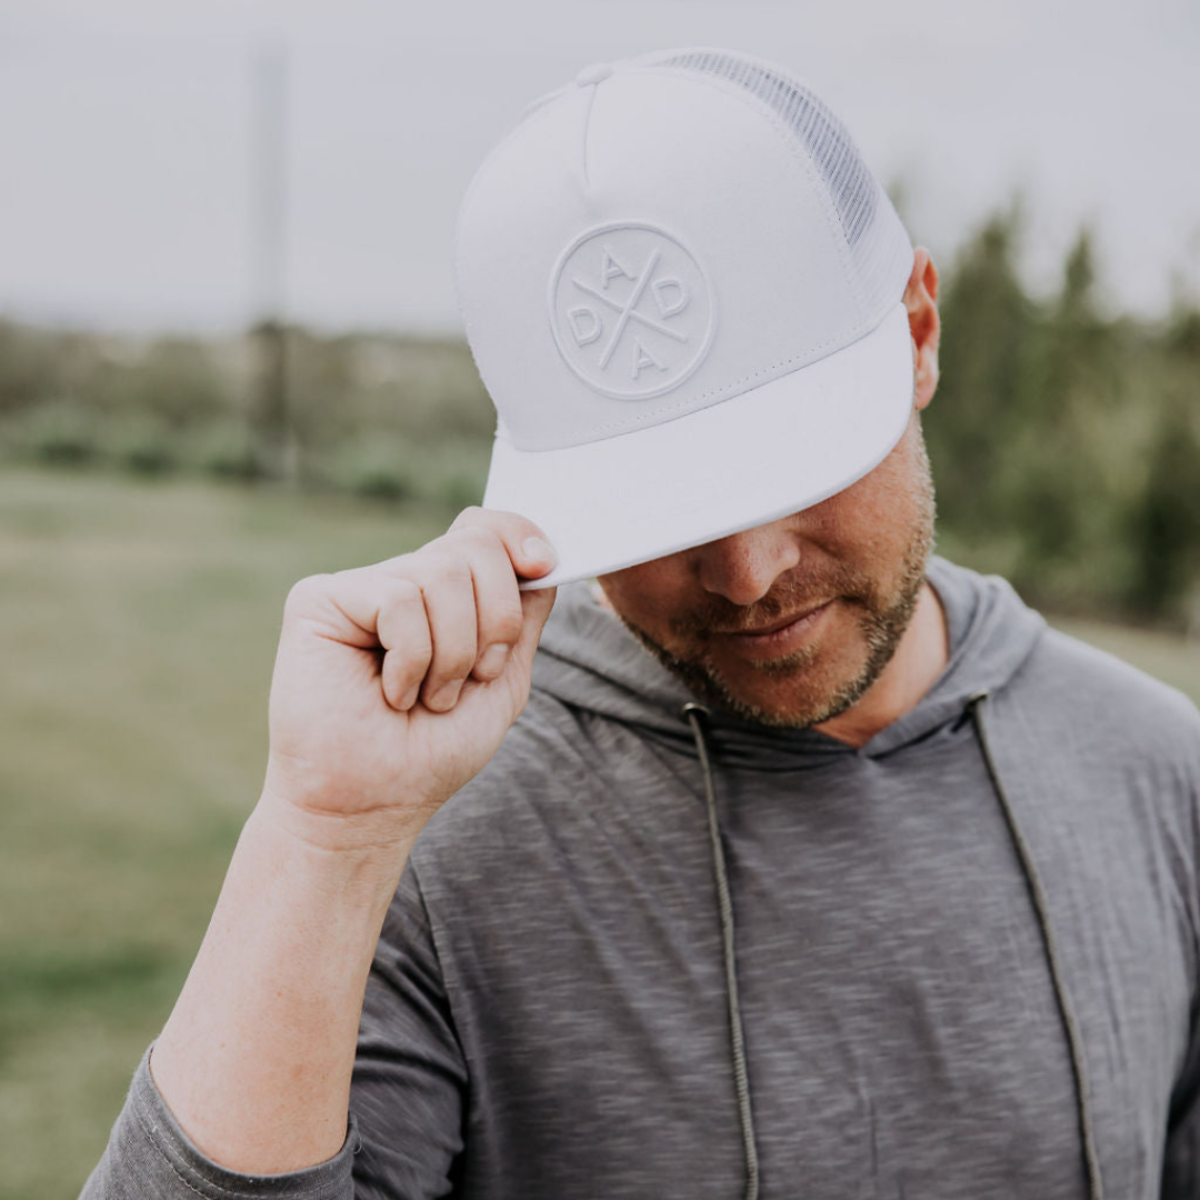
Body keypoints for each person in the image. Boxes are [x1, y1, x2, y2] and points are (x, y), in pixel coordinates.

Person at [83, 47, 1200, 1200]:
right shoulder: (428, 848)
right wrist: (323, 844)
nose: (749, 573)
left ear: (917, 331)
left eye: (801, 464)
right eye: (667, 509)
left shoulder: (1160, 780)